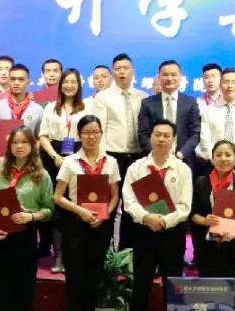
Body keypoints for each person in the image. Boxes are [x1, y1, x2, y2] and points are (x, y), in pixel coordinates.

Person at [122, 119, 193, 311]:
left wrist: (164, 221)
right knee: (141, 284)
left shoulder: (183, 169)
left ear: (173, 140)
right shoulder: (136, 168)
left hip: (172, 234)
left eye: (166, 136)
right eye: (157, 135)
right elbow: (129, 200)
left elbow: (185, 206)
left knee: (173, 286)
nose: (161, 139)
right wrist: (147, 218)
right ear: (151, 137)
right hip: (143, 232)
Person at [0, 126, 55, 311]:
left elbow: (49, 209)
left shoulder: (42, 175)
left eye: (24, 142)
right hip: (0, 231)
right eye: (15, 142)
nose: (19, 146)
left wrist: (30, 216)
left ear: (33, 145)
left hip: (26, 233)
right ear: (9, 146)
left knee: (23, 287)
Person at [53, 115, 120, 311]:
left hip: (100, 225)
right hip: (75, 224)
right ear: (79, 135)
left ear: (101, 134)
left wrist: (104, 214)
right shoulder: (70, 162)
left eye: (95, 132)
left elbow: (115, 196)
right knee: (74, 274)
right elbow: (57, 197)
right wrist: (80, 211)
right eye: (87, 132)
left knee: (95, 274)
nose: (91, 137)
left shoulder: (111, 162)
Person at [91, 53, 148, 248]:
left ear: (133, 71)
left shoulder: (143, 97)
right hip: (112, 157)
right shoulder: (103, 97)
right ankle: (104, 250)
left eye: (126, 68)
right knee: (108, 205)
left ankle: (127, 251)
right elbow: (99, 130)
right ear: (112, 73)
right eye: (118, 69)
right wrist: (102, 159)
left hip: (138, 158)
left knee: (134, 205)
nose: (122, 72)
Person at [38, 67, 89, 272]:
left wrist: (77, 159)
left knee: (75, 205)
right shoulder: (51, 107)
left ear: (79, 85)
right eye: (65, 82)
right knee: (57, 209)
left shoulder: (87, 107)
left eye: (73, 82)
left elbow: (91, 135)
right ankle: (58, 257)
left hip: (79, 156)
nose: (69, 86)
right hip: (55, 158)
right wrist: (55, 157)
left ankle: (73, 255)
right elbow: (43, 136)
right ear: (60, 86)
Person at [190, 140, 235, 278]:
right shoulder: (201, 182)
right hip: (206, 246)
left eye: (228, 155)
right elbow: (192, 213)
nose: (223, 159)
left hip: (233, 246)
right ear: (212, 158)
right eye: (219, 155)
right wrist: (205, 220)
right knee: (208, 286)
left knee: (229, 286)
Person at [138, 59, 202, 164]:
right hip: (154, 160)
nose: (169, 78)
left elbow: (195, 133)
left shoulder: (190, 102)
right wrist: (157, 153)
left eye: (173, 75)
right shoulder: (148, 103)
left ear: (180, 77)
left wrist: (181, 154)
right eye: (165, 75)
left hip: (183, 159)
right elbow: (143, 134)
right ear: (159, 78)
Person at [0, 63, 45, 165]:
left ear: (28, 82)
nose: (16, 83)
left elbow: (40, 138)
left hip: (28, 163)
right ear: (8, 81)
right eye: (13, 79)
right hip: (3, 162)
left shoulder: (38, 109)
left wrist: (31, 154)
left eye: (21, 79)